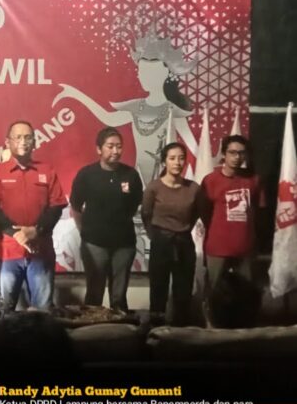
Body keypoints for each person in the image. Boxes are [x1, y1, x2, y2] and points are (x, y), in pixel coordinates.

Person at [53, 28, 198, 186]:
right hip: (138, 178)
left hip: (165, 182)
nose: (141, 76)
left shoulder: (173, 111)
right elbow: (108, 118)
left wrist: (211, 158)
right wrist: (76, 94)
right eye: (141, 71)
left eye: (148, 71)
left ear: (164, 74)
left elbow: (194, 147)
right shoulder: (136, 107)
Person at [0, 121, 67, 311]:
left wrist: (36, 230)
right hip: (7, 254)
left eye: (28, 137)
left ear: (34, 142)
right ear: (7, 142)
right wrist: (15, 233)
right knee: (4, 311)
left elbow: (56, 207)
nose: (23, 141)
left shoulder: (47, 170)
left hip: (40, 252)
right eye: (18, 137)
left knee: (43, 311)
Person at [69, 127, 143, 310]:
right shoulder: (86, 175)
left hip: (124, 244)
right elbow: (76, 207)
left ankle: (119, 327)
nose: (115, 151)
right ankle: (92, 327)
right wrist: (85, 232)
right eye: (110, 146)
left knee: (119, 296)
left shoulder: (131, 175)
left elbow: (135, 204)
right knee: (94, 294)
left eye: (119, 146)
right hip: (94, 244)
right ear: (99, 149)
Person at [141, 143, 206, 325]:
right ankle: (156, 330)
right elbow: (146, 214)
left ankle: (180, 331)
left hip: (184, 242)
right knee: (158, 290)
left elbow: (197, 213)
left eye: (181, 158)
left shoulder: (194, 188)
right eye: (172, 158)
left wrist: (183, 229)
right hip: (161, 243)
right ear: (164, 162)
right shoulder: (154, 188)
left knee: (183, 292)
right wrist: (155, 235)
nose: (177, 162)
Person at [201, 135, 264, 286]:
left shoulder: (254, 180)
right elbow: (204, 212)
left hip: (245, 247)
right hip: (217, 248)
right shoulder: (210, 180)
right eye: (232, 152)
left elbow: (260, 212)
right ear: (224, 154)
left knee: (245, 293)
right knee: (214, 292)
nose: (237, 157)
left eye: (241, 153)